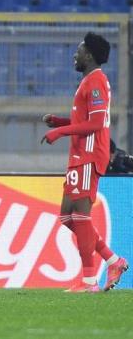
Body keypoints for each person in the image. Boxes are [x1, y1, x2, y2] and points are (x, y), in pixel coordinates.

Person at [41, 32, 128, 292]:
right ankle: (113, 260)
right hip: (79, 155)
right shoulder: (88, 81)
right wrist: (59, 121)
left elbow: (96, 123)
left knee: (79, 215)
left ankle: (89, 281)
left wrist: (59, 132)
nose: (74, 55)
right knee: (68, 217)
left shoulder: (97, 82)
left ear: (89, 55)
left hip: (89, 155)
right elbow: (84, 120)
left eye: (78, 50)